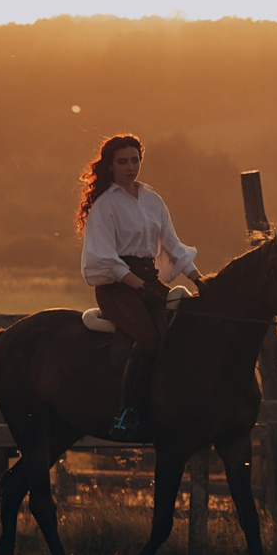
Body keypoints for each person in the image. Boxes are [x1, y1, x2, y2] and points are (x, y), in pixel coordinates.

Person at [76, 134, 202, 439]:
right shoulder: (105, 206)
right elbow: (104, 258)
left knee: (186, 327)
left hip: (147, 280)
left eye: (135, 160)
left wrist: (199, 279)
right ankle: (127, 412)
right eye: (123, 162)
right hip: (117, 286)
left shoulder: (151, 199)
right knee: (148, 337)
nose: (131, 167)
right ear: (110, 166)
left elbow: (171, 243)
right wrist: (138, 286)